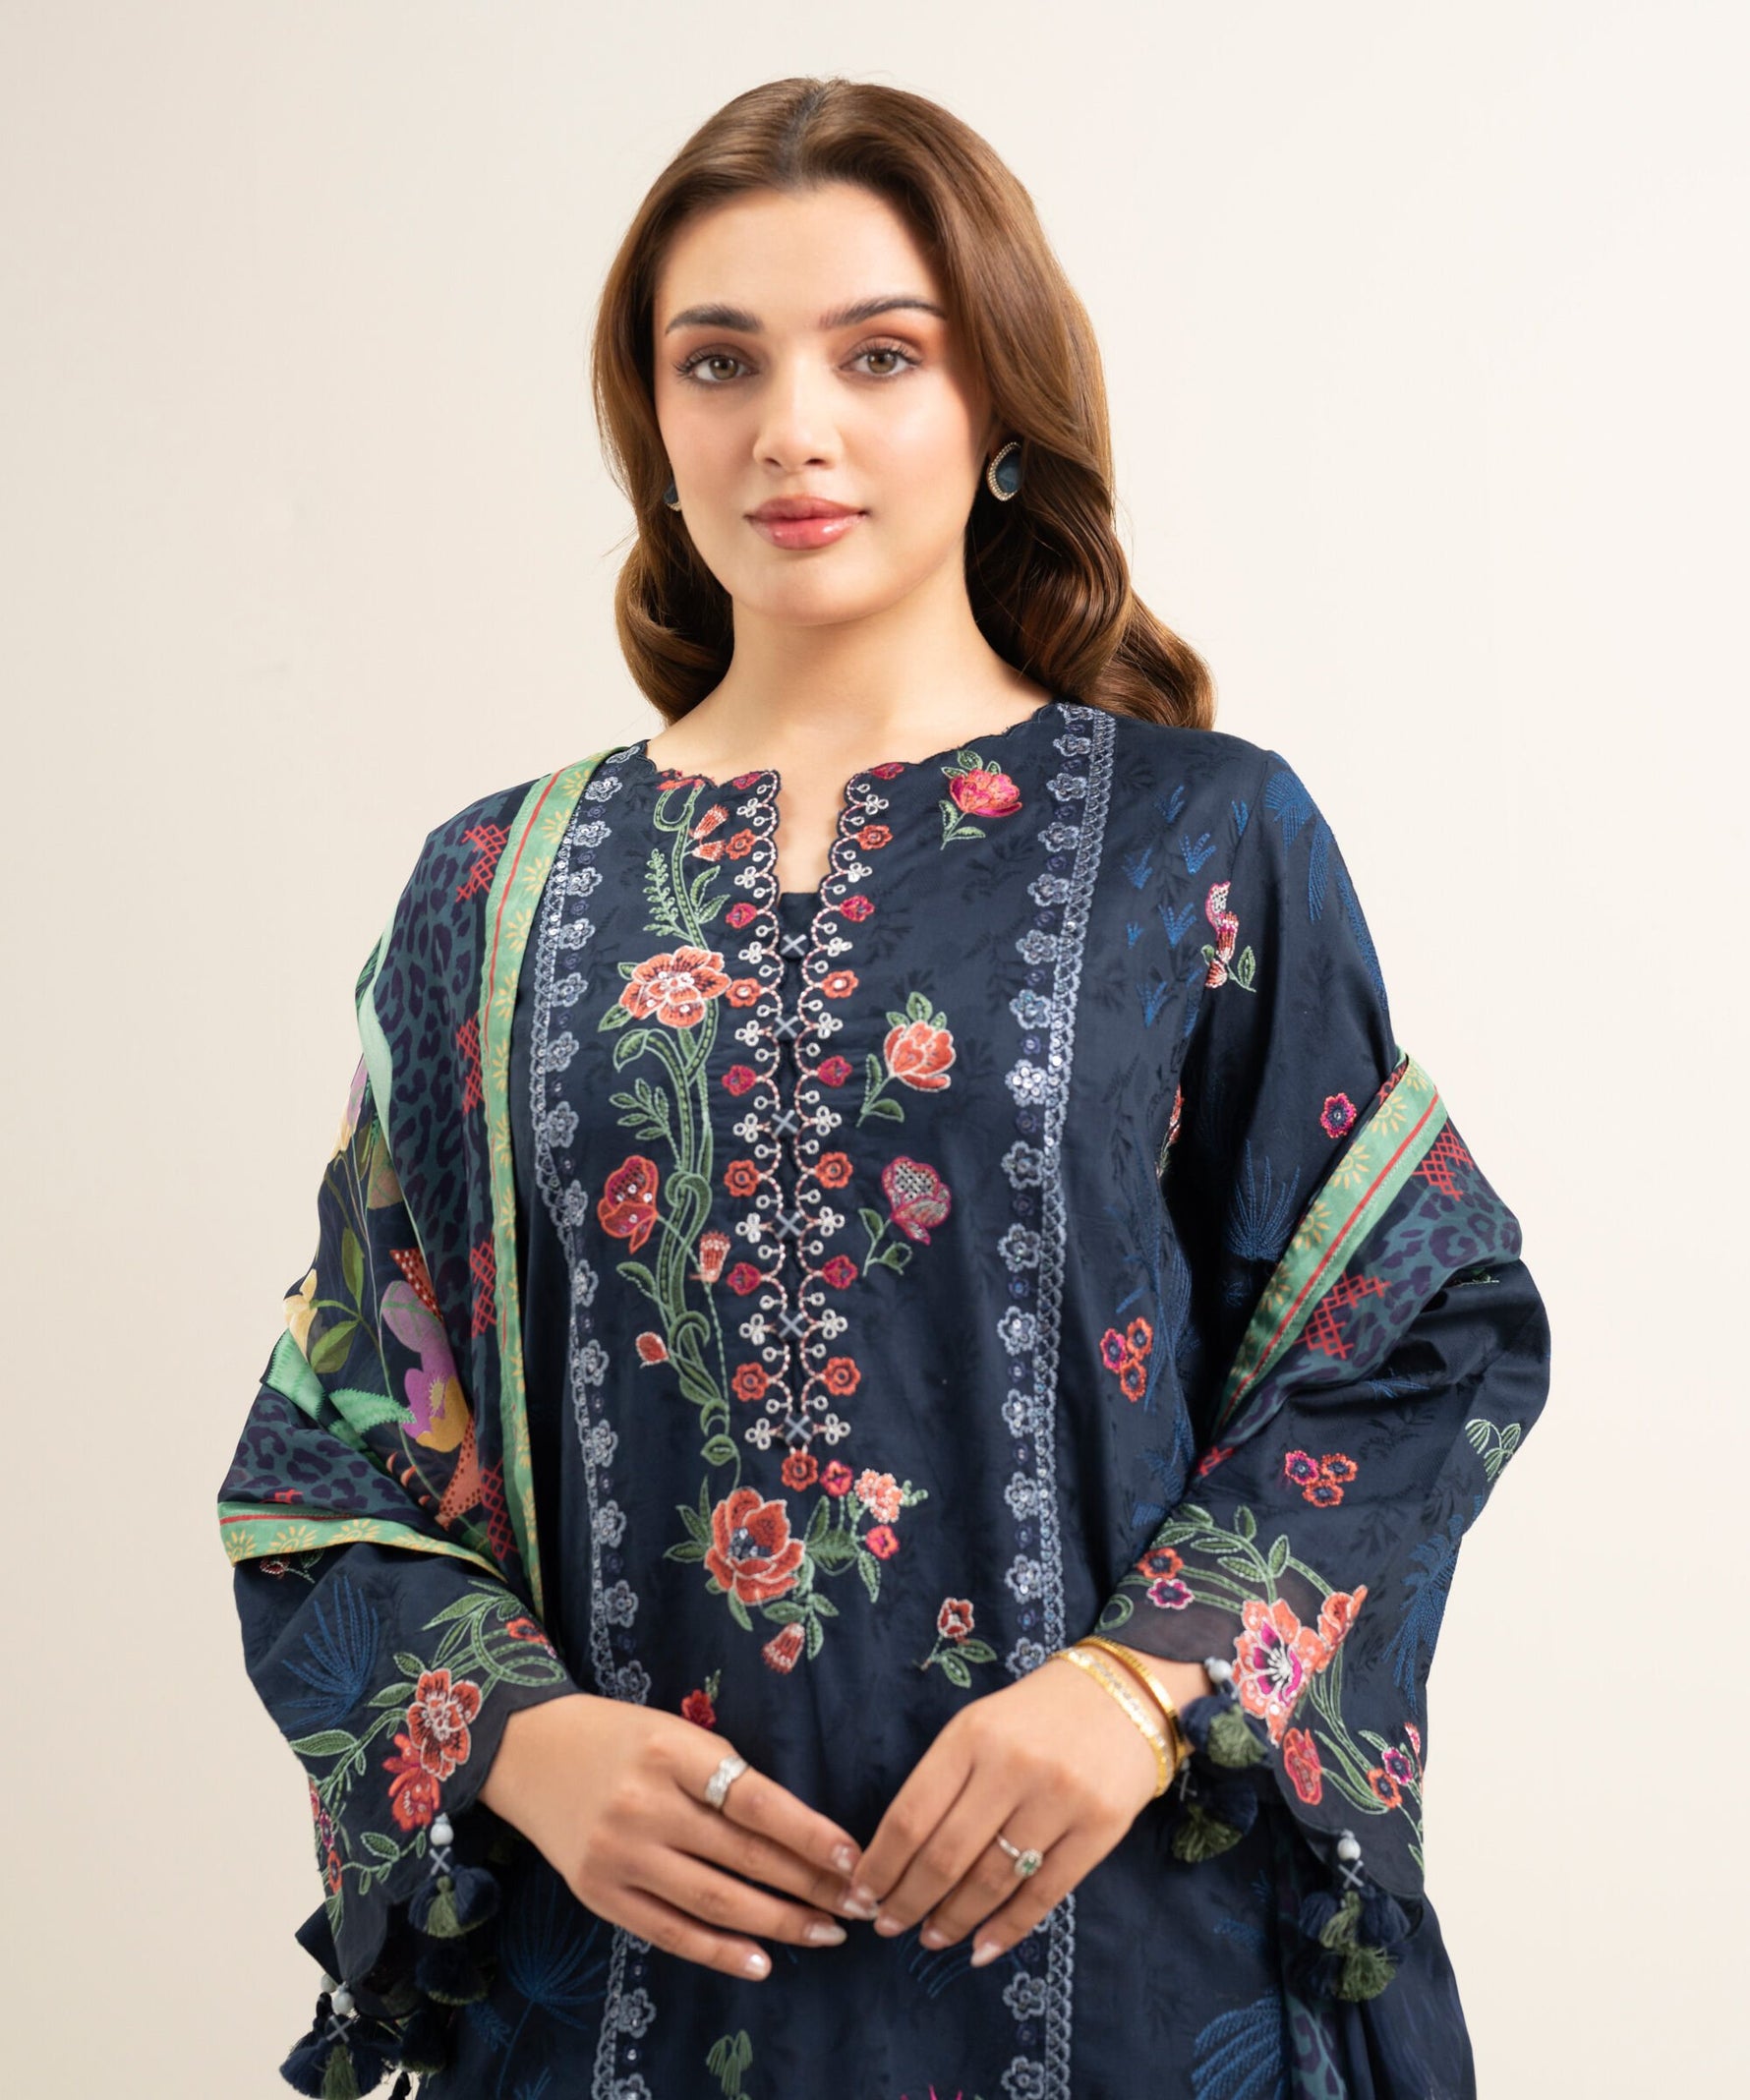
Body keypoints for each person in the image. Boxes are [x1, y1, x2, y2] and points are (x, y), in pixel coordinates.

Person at [218, 75, 1551, 2100]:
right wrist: (522, 1742)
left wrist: (1137, 1689)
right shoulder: (490, 893)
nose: (791, 428)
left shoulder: (1200, 839)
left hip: (1124, 1979)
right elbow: (327, 1457)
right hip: (615, 2001)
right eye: (718, 362)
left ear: (993, 399)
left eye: (878, 355)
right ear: (651, 420)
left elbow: (1418, 1330)